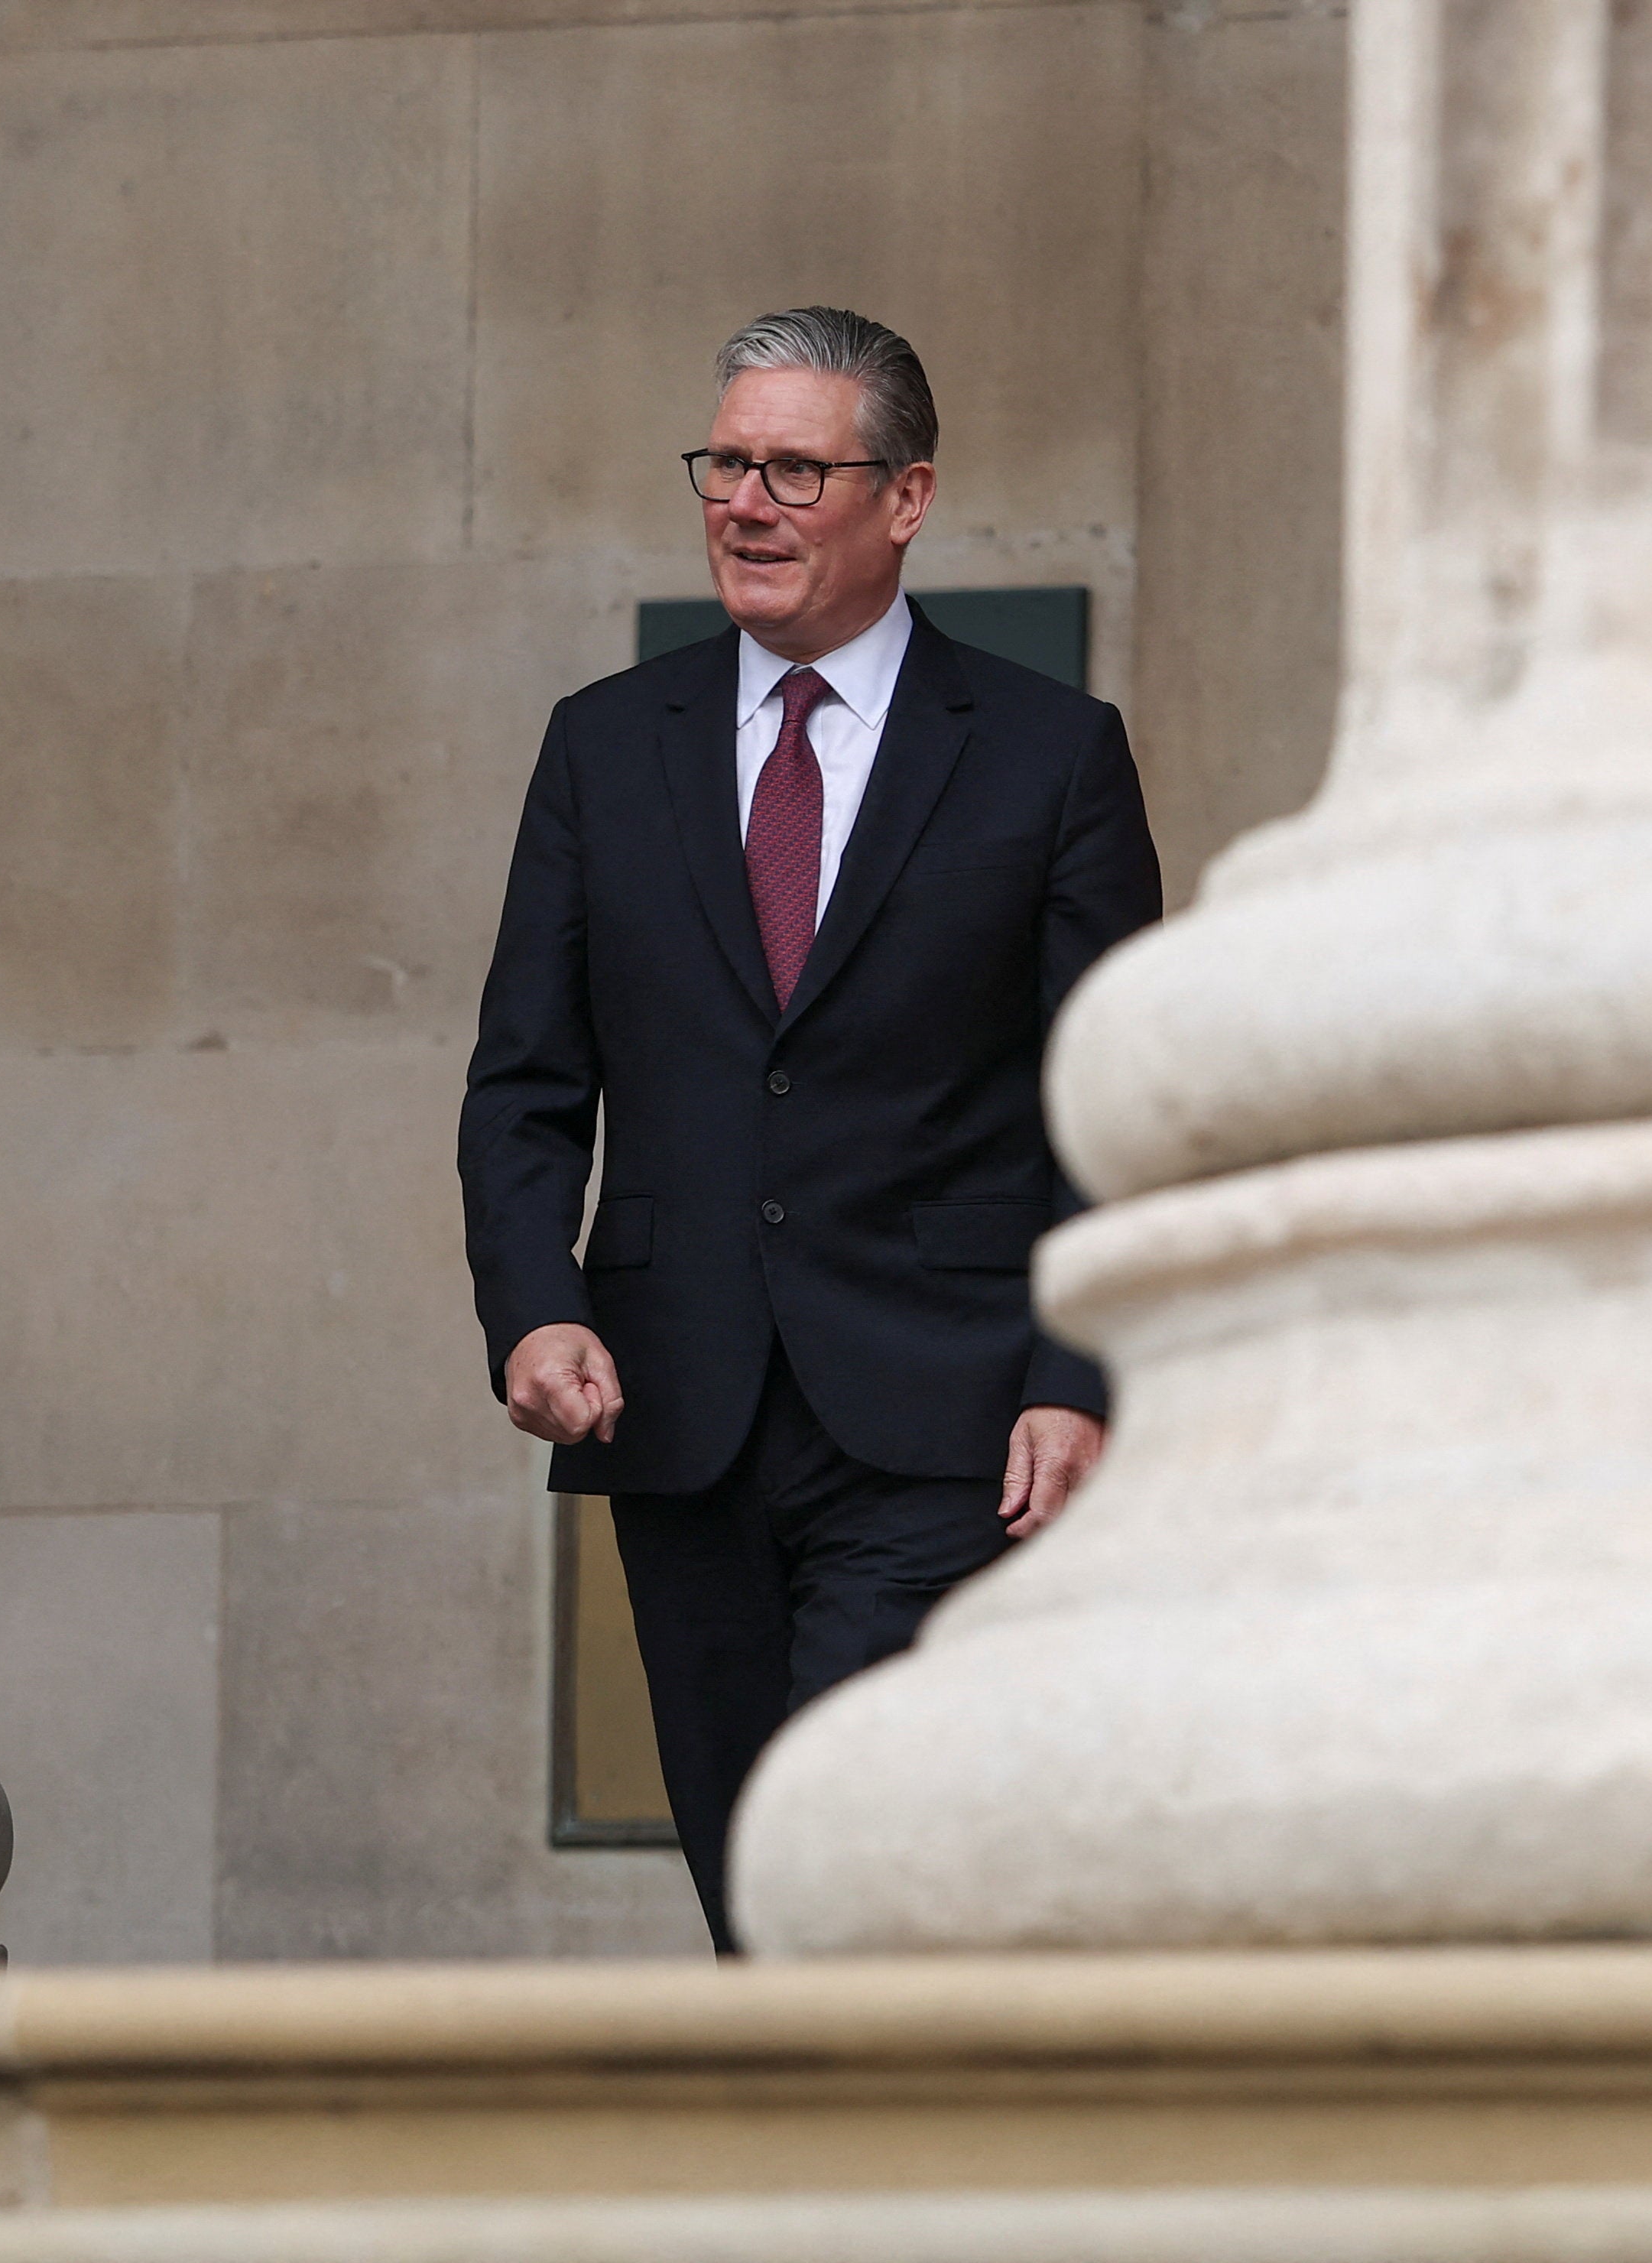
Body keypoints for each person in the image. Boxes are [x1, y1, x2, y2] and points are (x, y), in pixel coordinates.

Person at [458, 308, 1163, 1952]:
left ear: (904, 497)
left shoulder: (1051, 756)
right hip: (677, 1403)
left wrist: (1079, 1374)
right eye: (723, 464)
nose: (744, 503)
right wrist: (534, 1300)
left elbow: (1112, 1094)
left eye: (793, 468)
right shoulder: (600, 745)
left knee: (838, 1838)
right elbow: (523, 1079)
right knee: (741, 1864)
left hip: (941, 1413)